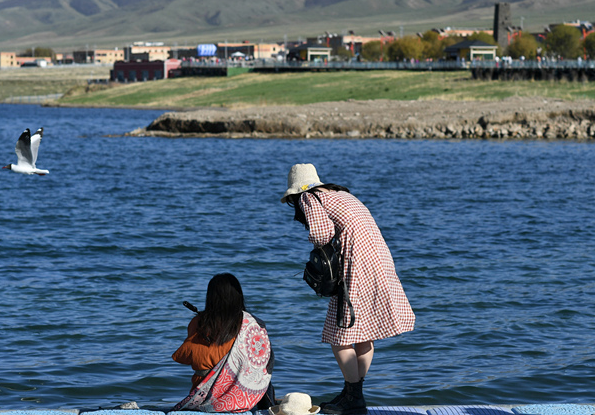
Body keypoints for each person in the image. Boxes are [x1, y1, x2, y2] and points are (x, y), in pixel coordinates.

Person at [281, 164, 415, 415]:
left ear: (296, 194)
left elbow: (322, 234)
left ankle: (354, 396)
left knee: (338, 336)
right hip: (380, 260)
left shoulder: (310, 197)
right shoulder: (341, 194)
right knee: (363, 334)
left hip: (357, 265)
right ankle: (353, 392)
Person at [172, 273, 275, 413]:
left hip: (204, 398)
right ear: (238, 296)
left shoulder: (197, 323)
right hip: (244, 398)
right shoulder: (252, 324)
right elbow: (264, 359)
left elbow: (181, 357)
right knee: (261, 375)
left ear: (210, 297)